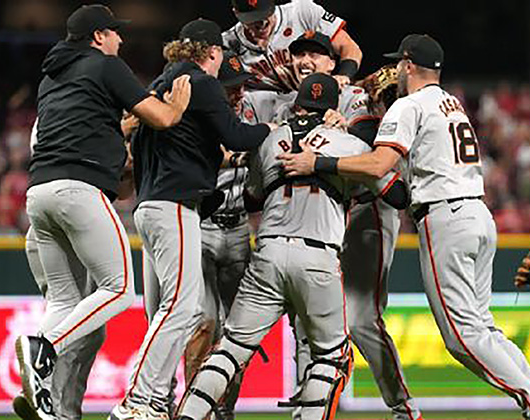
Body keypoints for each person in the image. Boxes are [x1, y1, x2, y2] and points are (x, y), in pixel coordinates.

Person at [278, 34, 530, 420]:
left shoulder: (409, 104)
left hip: (445, 217)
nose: (396, 72)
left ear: (407, 64)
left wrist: (319, 162)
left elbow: (378, 166)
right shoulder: (452, 104)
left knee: (460, 337)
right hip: (479, 215)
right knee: (484, 328)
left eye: (398, 64)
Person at [173, 73, 409, 420]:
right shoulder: (348, 144)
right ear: (332, 107)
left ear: (298, 102)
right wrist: (345, 178)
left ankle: (189, 416)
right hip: (317, 255)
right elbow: (398, 195)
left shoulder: (271, 139)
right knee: (331, 356)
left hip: (266, 254)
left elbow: (252, 199)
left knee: (230, 350)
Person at [16, 5, 191, 420]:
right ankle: (44, 348)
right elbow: (162, 118)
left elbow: (85, 128)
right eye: (114, 32)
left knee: (65, 301)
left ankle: (51, 402)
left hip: (38, 197)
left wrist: (119, 129)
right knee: (118, 288)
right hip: (79, 192)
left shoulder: (51, 78)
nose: (120, 39)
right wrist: (178, 106)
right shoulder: (105, 65)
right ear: (97, 36)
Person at [109, 19, 273, 420]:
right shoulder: (200, 81)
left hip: (149, 206)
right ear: (213, 52)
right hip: (173, 206)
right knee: (182, 307)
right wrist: (272, 129)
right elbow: (236, 135)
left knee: (167, 309)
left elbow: (189, 143)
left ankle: (154, 402)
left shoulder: (161, 85)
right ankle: (138, 399)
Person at [274, 31, 420, 420]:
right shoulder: (288, 103)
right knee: (307, 314)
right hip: (322, 217)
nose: (306, 60)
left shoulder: (356, 95)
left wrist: (343, 131)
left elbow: (374, 145)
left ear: (333, 62)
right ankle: (310, 404)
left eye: (316, 54)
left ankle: (402, 407)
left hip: (367, 208)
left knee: (358, 317)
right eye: (299, 53)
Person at [12, 116, 136, 420]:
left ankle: (39, 394)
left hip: (46, 225)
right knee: (105, 302)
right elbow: (75, 163)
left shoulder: (61, 106)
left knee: (80, 322)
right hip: (69, 224)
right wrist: (119, 136)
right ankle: (53, 396)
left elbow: (120, 189)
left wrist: (128, 161)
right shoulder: (70, 113)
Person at [182, 52, 269, 420]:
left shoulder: (250, 112)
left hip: (236, 228)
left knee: (238, 330)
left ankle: (226, 409)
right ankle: (194, 409)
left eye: (240, 85)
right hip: (202, 222)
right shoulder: (203, 112)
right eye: (231, 86)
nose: (237, 93)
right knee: (202, 323)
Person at [223, 0, 362, 92]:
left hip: (319, 96)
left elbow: (350, 48)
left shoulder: (301, 11)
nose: (262, 23)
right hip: (273, 112)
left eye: (265, 14)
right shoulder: (227, 44)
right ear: (236, 13)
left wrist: (344, 75)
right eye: (253, 19)